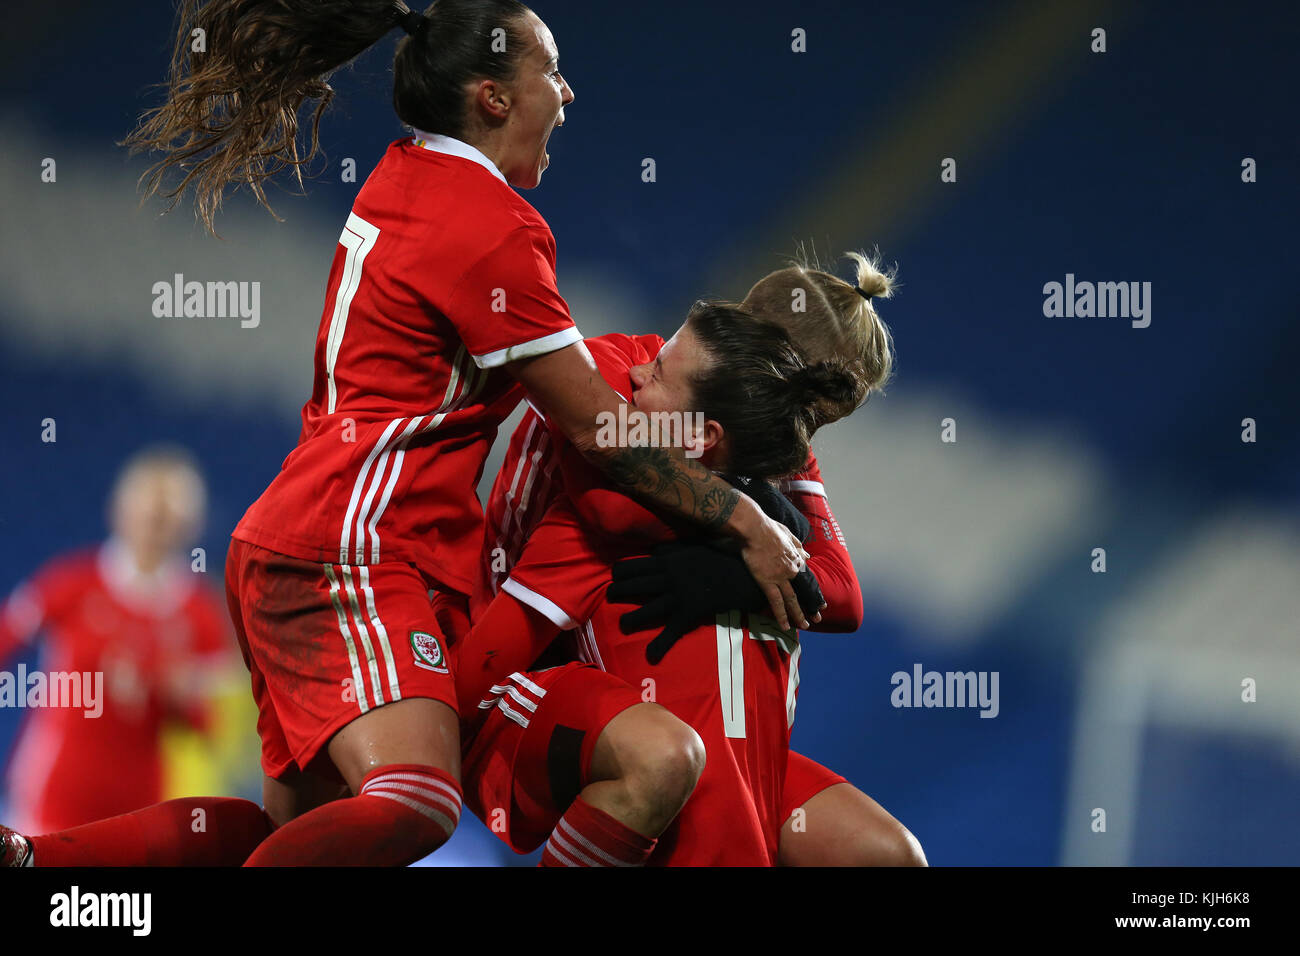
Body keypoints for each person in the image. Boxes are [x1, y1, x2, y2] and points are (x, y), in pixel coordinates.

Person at [1, 0, 808, 868]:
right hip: (351, 548)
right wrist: (746, 520)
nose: (568, 95)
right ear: (494, 98)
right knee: (418, 797)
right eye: (552, 72)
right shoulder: (489, 224)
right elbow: (601, 428)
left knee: (294, 832)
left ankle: (34, 860)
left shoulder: (408, 174)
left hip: (301, 535)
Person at [455, 252, 925, 865]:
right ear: (749, 346)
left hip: (668, 717)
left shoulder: (757, 439)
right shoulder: (614, 375)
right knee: (672, 766)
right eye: (795, 400)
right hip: (531, 667)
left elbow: (839, 593)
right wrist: (756, 523)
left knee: (886, 855)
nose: (793, 430)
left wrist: (735, 565)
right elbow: (612, 509)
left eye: (810, 417)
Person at [0, 447, 236, 834]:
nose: (155, 525)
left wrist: (177, 696)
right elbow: (6, 637)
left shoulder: (201, 614)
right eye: (147, 512)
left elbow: (216, 729)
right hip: (55, 789)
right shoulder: (73, 583)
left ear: (191, 524)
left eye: (167, 517)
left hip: (141, 801)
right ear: (119, 510)